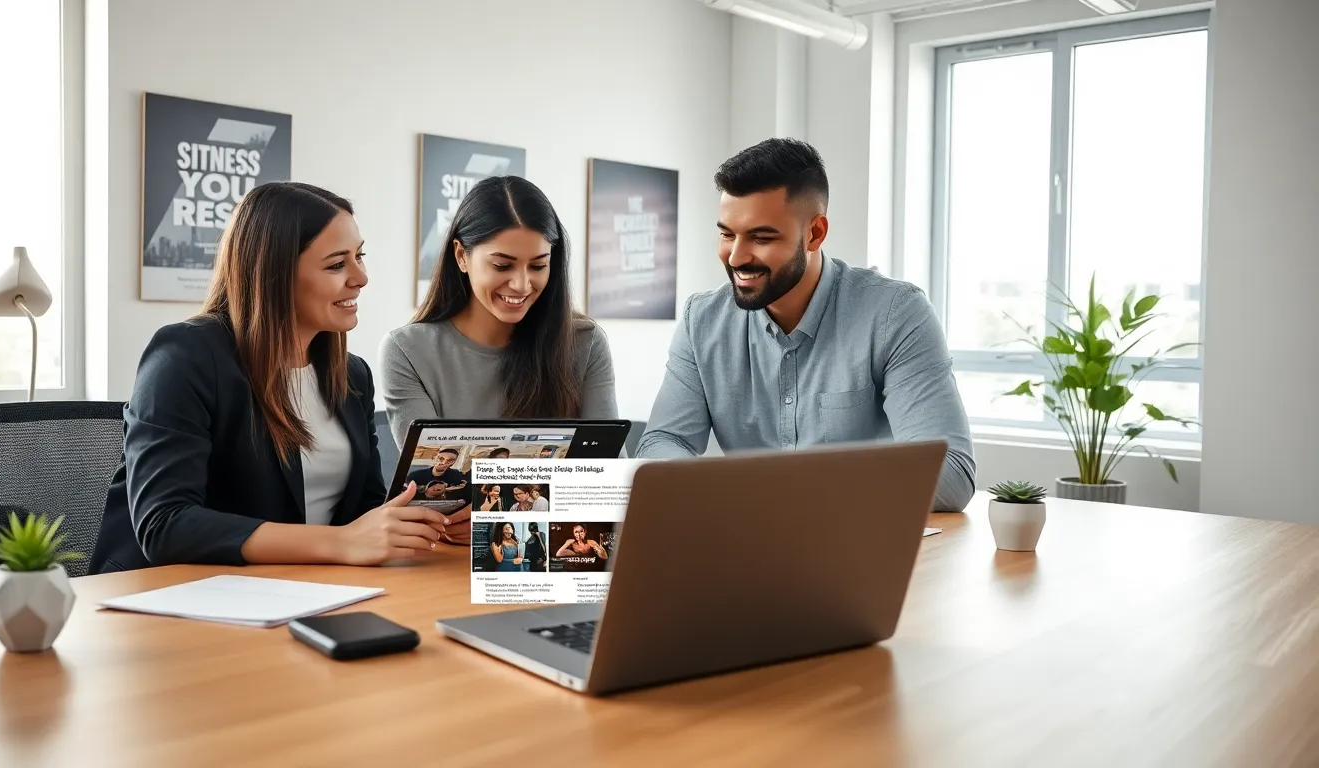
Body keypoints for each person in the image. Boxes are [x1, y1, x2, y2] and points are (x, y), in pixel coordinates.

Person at [89, 182, 453, 574]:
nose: (360, 277)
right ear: (273, 273)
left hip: (304, 590)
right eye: (336, 264)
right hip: (173, 597)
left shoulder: (352, 375)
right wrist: (341, 543)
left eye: (359, 256)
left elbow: (362, 510)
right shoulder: (184, 356)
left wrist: (430, 522)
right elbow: (165, 525)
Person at [634, 138, 976, 512]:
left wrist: (785, 489)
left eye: (761, 237)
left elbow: (952, 476)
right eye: (727, 234)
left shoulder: (895, 313)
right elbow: (662, 443)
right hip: (746, 543)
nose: (735, 257)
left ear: (815, 233)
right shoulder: (701, 321)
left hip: (860, 546)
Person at [379, 175, 619, 452]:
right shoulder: (407, 351)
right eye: (502, 266)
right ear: (461, 256)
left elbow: (609, 471)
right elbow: (433, 475)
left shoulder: (585, 343)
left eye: (538, 266)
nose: (521, 284)